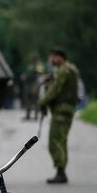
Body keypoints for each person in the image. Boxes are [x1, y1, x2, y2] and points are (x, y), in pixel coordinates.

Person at [38, 47, 79, 184]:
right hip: (67, 109)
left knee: (55, 141)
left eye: (54, 57)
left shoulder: (63, 70)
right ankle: (61, 171)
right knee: (61, 140)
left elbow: (55, 90)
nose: (51, 60)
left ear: (60, 57)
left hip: (62, 110)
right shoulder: (70, 69)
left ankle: (60, 172)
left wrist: (42, 101)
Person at [20, 54, 44, 121]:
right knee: (28, 100)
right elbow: (27, 73)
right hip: (28, 84)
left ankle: (36, 116)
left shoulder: (39, 65)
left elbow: (40, 76)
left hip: (34, 84)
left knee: (35, 100)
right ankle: (28, 115)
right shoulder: (30, 65)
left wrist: (37, 85)